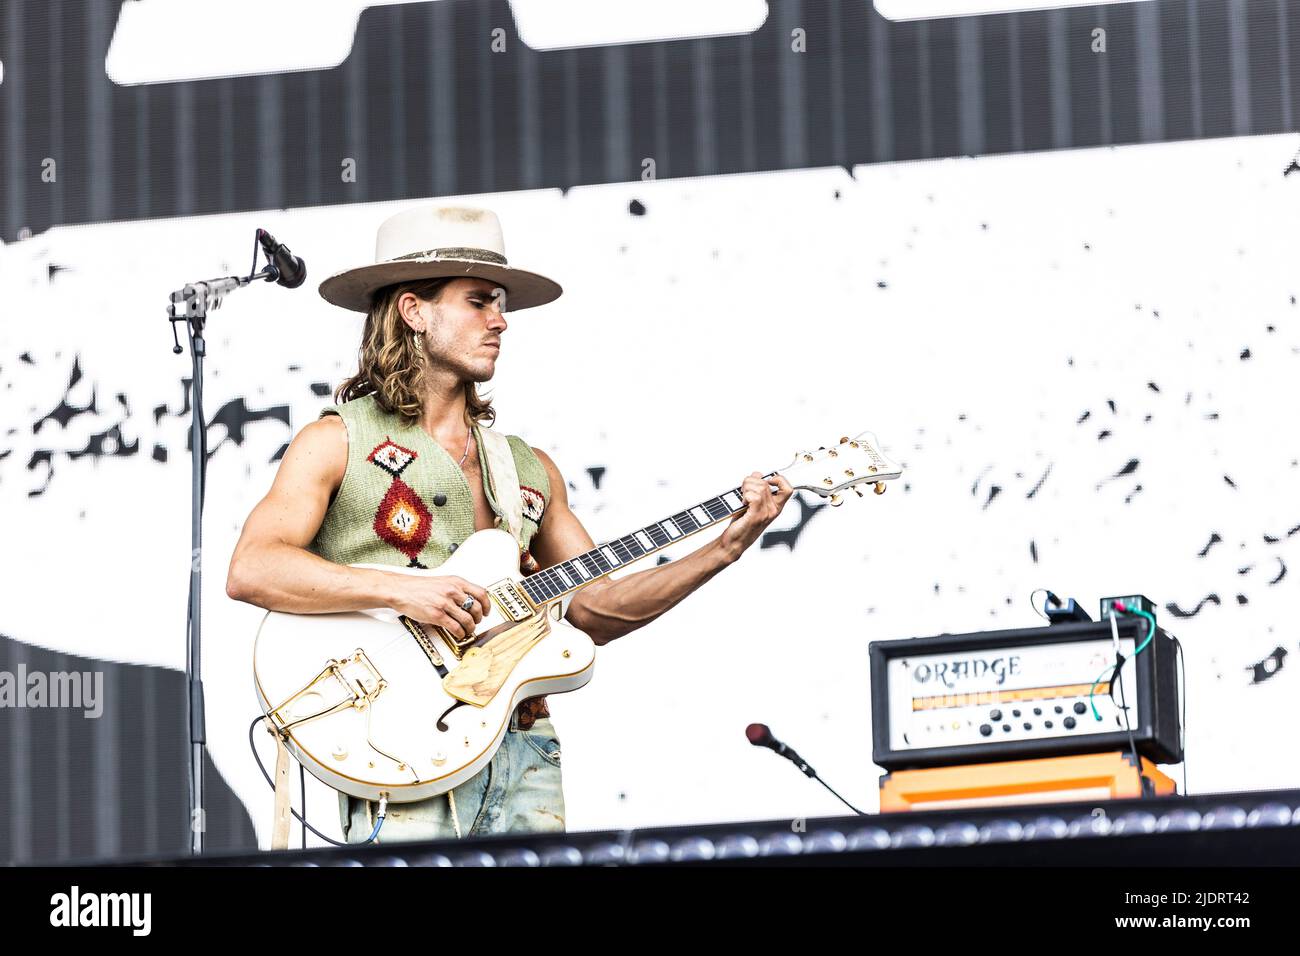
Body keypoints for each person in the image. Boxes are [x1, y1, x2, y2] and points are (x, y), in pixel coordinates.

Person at [226, 204, 794, 844]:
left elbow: (597, 610)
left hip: (523, 748)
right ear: (414, 310)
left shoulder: (528, 467)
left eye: (500, 304)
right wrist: (403, 590)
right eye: (478, 301)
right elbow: (253, 568)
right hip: (397, 744)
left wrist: (722, 549)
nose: (500, 321)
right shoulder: (335, 442)